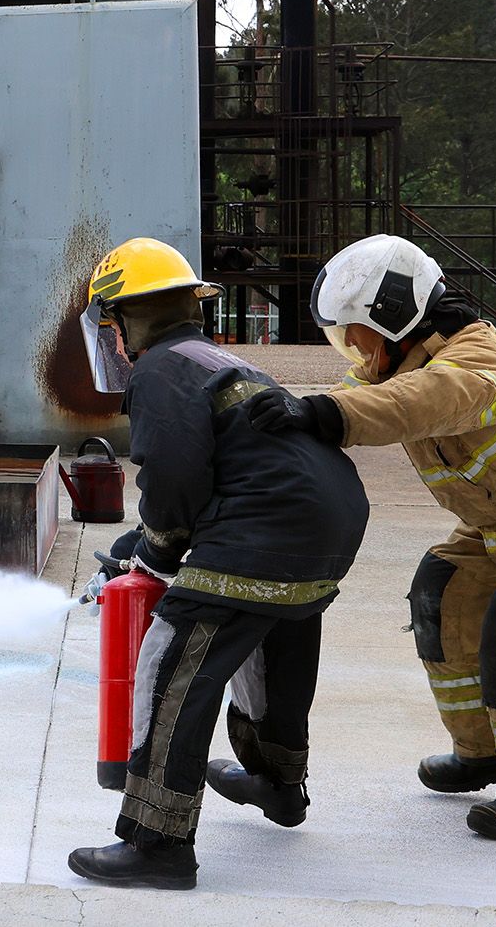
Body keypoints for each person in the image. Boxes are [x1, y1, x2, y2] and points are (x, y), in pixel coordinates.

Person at [247, 234, 496, 841]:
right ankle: (480, 752)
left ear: (393, 316)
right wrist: (281, 414)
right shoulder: (409, 361)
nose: (351, 349)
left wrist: (323, 414)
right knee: (442, 592)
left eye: (355, 333)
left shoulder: (481, 364)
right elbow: (363, 396)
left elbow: (425, 401)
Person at [67, 238, 370, 891]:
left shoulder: (158, 369)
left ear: (129, 317)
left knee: (171, 661)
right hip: (327, 524)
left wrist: (154, 553)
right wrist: (143, 543)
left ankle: (157, 843)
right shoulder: (214, 357)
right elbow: (217, 472)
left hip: (265, 528)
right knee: (269, 646)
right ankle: (278, 782)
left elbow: (175, 475)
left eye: (114, 325)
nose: (115, 342)